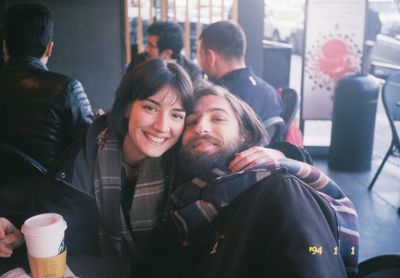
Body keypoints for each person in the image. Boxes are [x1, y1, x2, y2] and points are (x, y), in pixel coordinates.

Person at [170, 85, 359, 277]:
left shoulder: (278, 190)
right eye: (191, 122)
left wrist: (284, 154)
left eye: (218, 118)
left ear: (246, 135)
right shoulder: (180, 195)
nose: (201, 128)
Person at [0, 3, 94, 169]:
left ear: (5, 46)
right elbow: (92, 150)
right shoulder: (67, 89)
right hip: (47, 194)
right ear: (49, 48)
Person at [198, 20, 283, 126]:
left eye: (200, 55)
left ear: (211, 57)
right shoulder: (271, 93)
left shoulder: (217, 100)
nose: (199, 62)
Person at [127, 21, 202, 85]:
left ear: (167, 53)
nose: (146, 49)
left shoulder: (192, 73)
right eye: (147, 44)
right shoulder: (138, 62)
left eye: (151, 45)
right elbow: (123, 97)